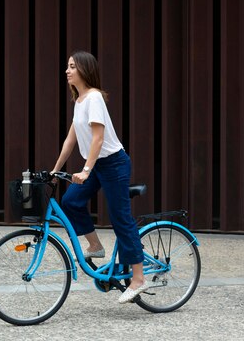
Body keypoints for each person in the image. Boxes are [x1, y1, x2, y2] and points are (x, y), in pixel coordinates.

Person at [51, 50, 149, 304]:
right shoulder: (80, 100)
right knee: (71, 201)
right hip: (96, 165)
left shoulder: (94, 98)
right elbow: (70, 140)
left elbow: (98, 138)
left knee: (120, 218)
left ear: (84, 69)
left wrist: (85, 170)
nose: (67, 70)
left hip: (114, 164)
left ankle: (138, 278)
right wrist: (54, 170)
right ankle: (95, 246)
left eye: (72, 66)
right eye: (67, 66)